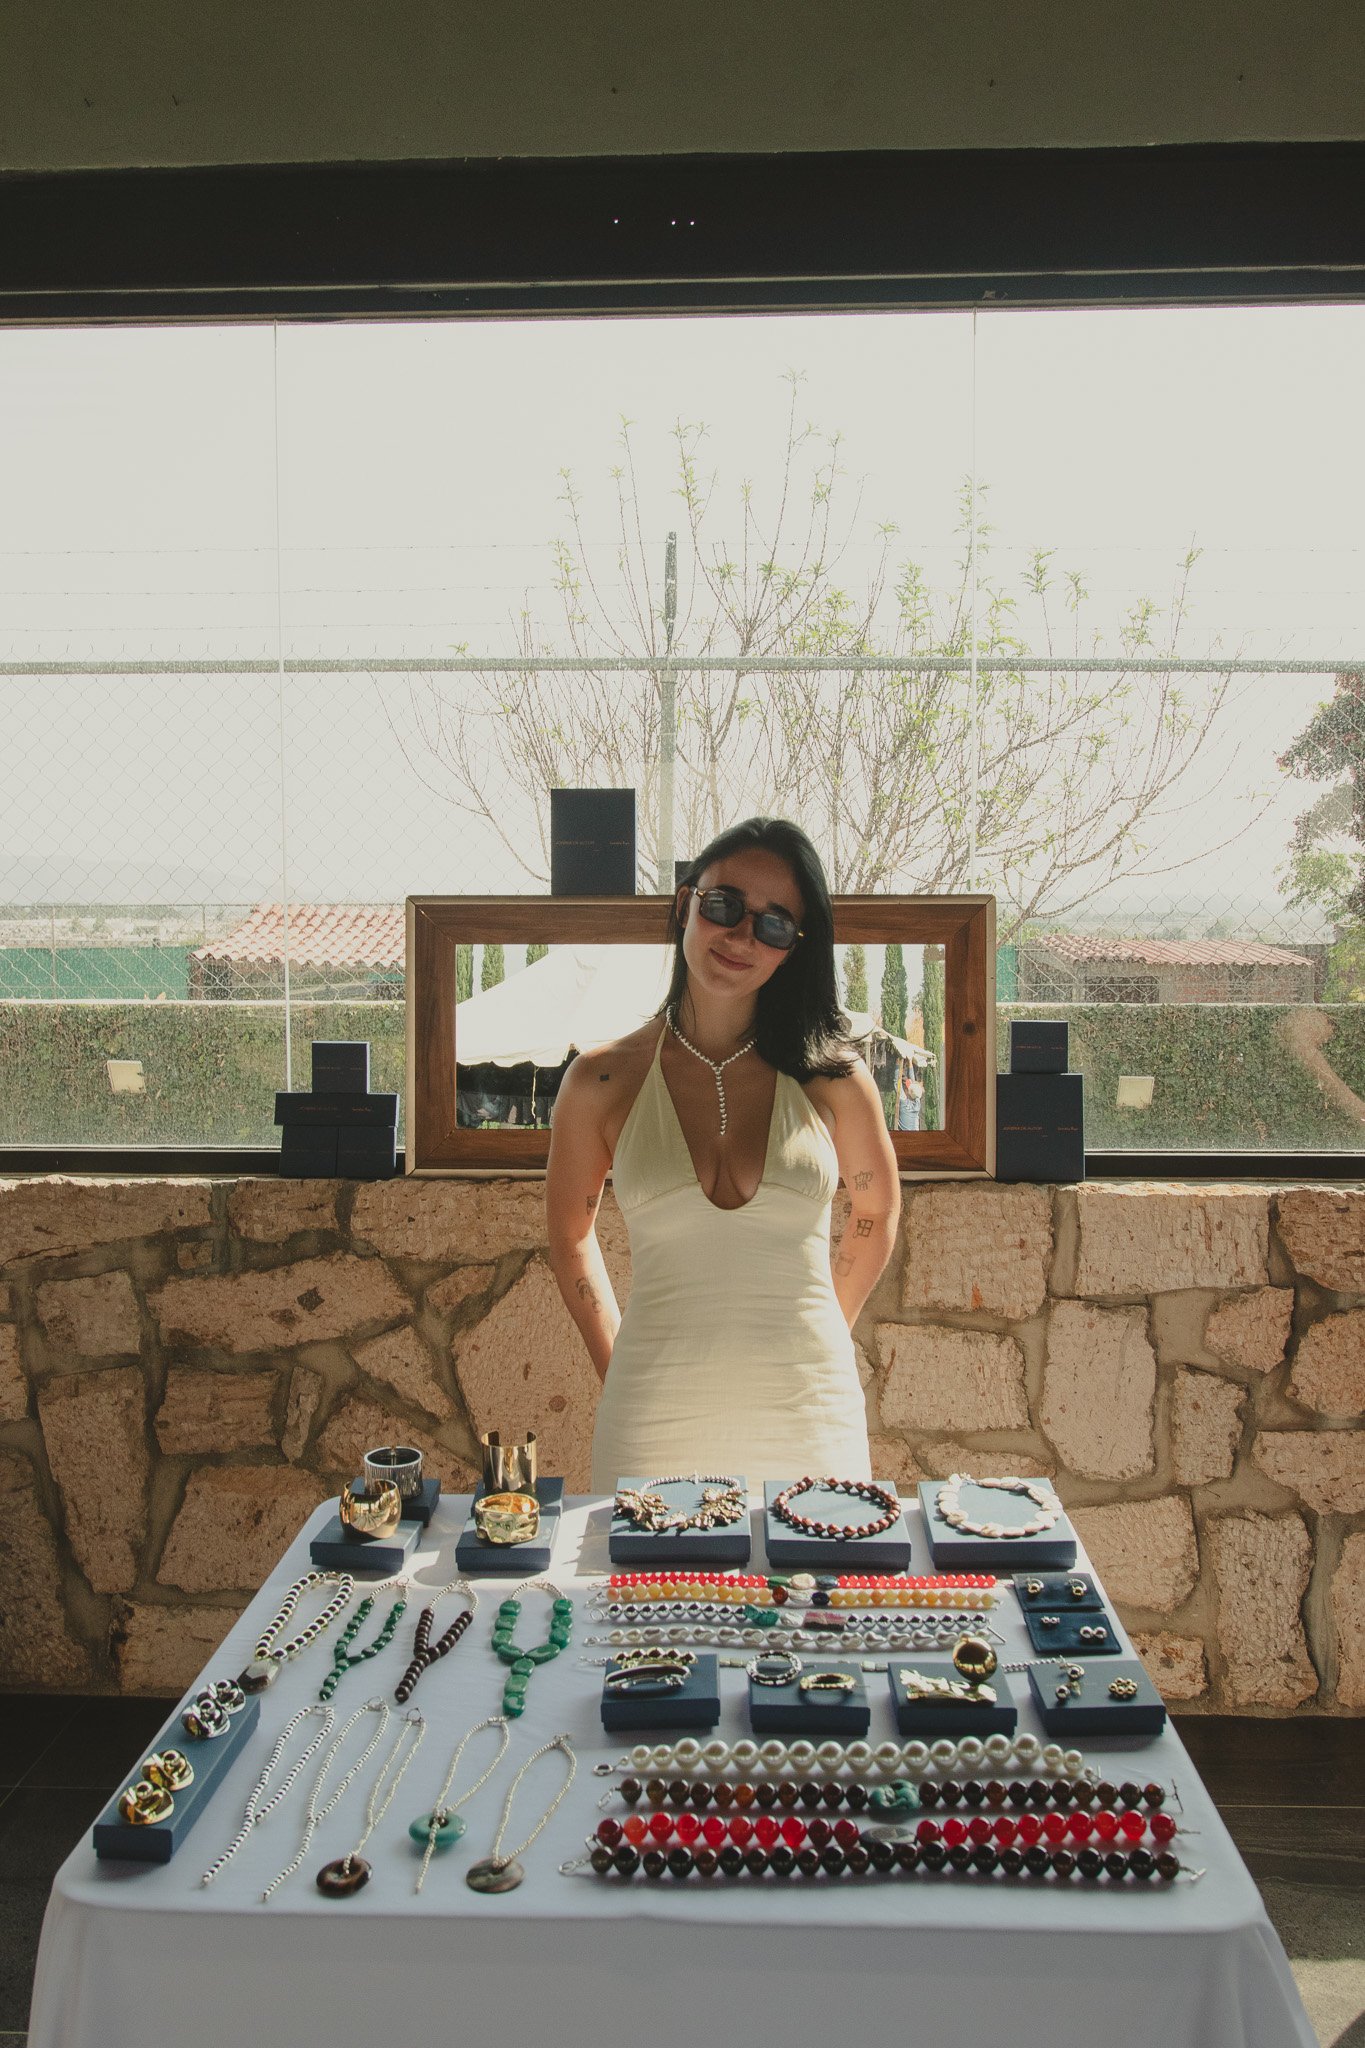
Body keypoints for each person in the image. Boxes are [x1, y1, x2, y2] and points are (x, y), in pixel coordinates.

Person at [546, 816, 901, 1487]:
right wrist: (615, 1364)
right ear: (685, 904)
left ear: (793, 947)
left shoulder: (833, 1078)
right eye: (724, 905)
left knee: (813, 1593)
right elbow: (569, 1239)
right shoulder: (601, 1080)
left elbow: (876, 1212)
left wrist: (826, 1328)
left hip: (808, 1408)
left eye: (773, 924)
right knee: (643, 1594)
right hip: (652, 1410)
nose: (741, 935)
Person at [896, 1064, 924, 1131]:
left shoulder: (904, 1103)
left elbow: (896, 1084)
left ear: (908, 1093)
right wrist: (910, 1062)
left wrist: (897, 1065)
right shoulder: (917, 1103)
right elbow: (913, 1082)